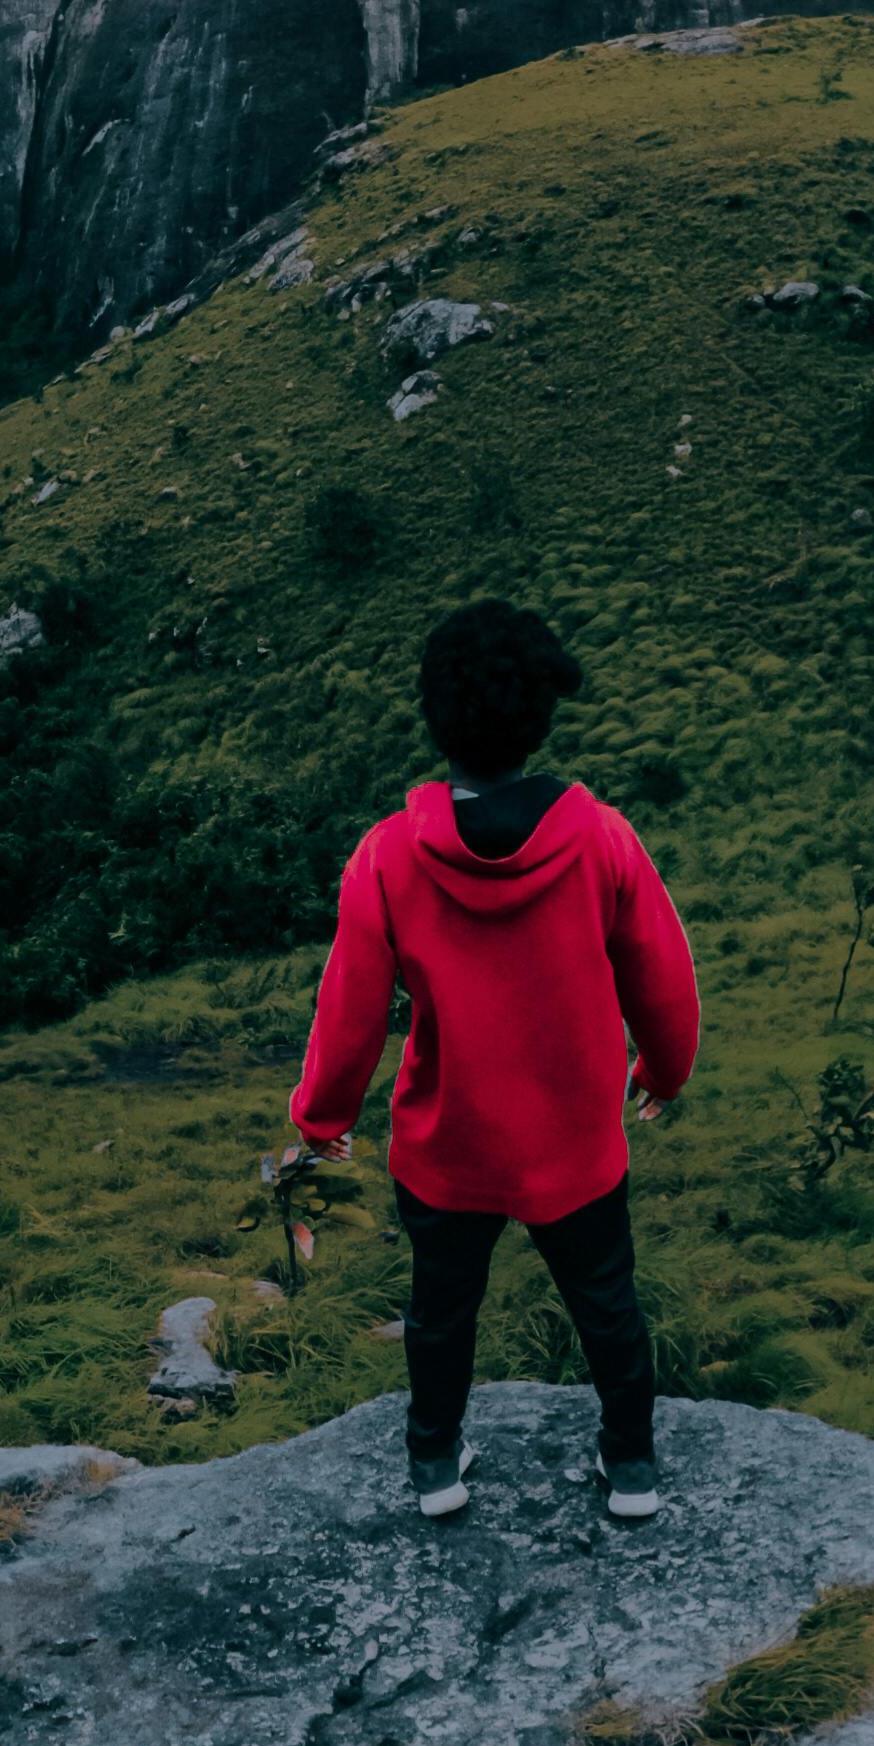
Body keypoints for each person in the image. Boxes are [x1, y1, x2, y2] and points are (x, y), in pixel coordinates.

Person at [284, 601, 701, 1525]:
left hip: (448, 1145)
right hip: (575, 1143)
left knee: (441, 1311)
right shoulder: (601, 840)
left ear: (435, 716)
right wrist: (662, 1073)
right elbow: (665, 982)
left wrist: (323, 1120)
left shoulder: (388, 857)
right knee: (607, 1304)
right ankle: (630, 1467)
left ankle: (437, 1463)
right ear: (541, 717)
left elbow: (349, 1011)